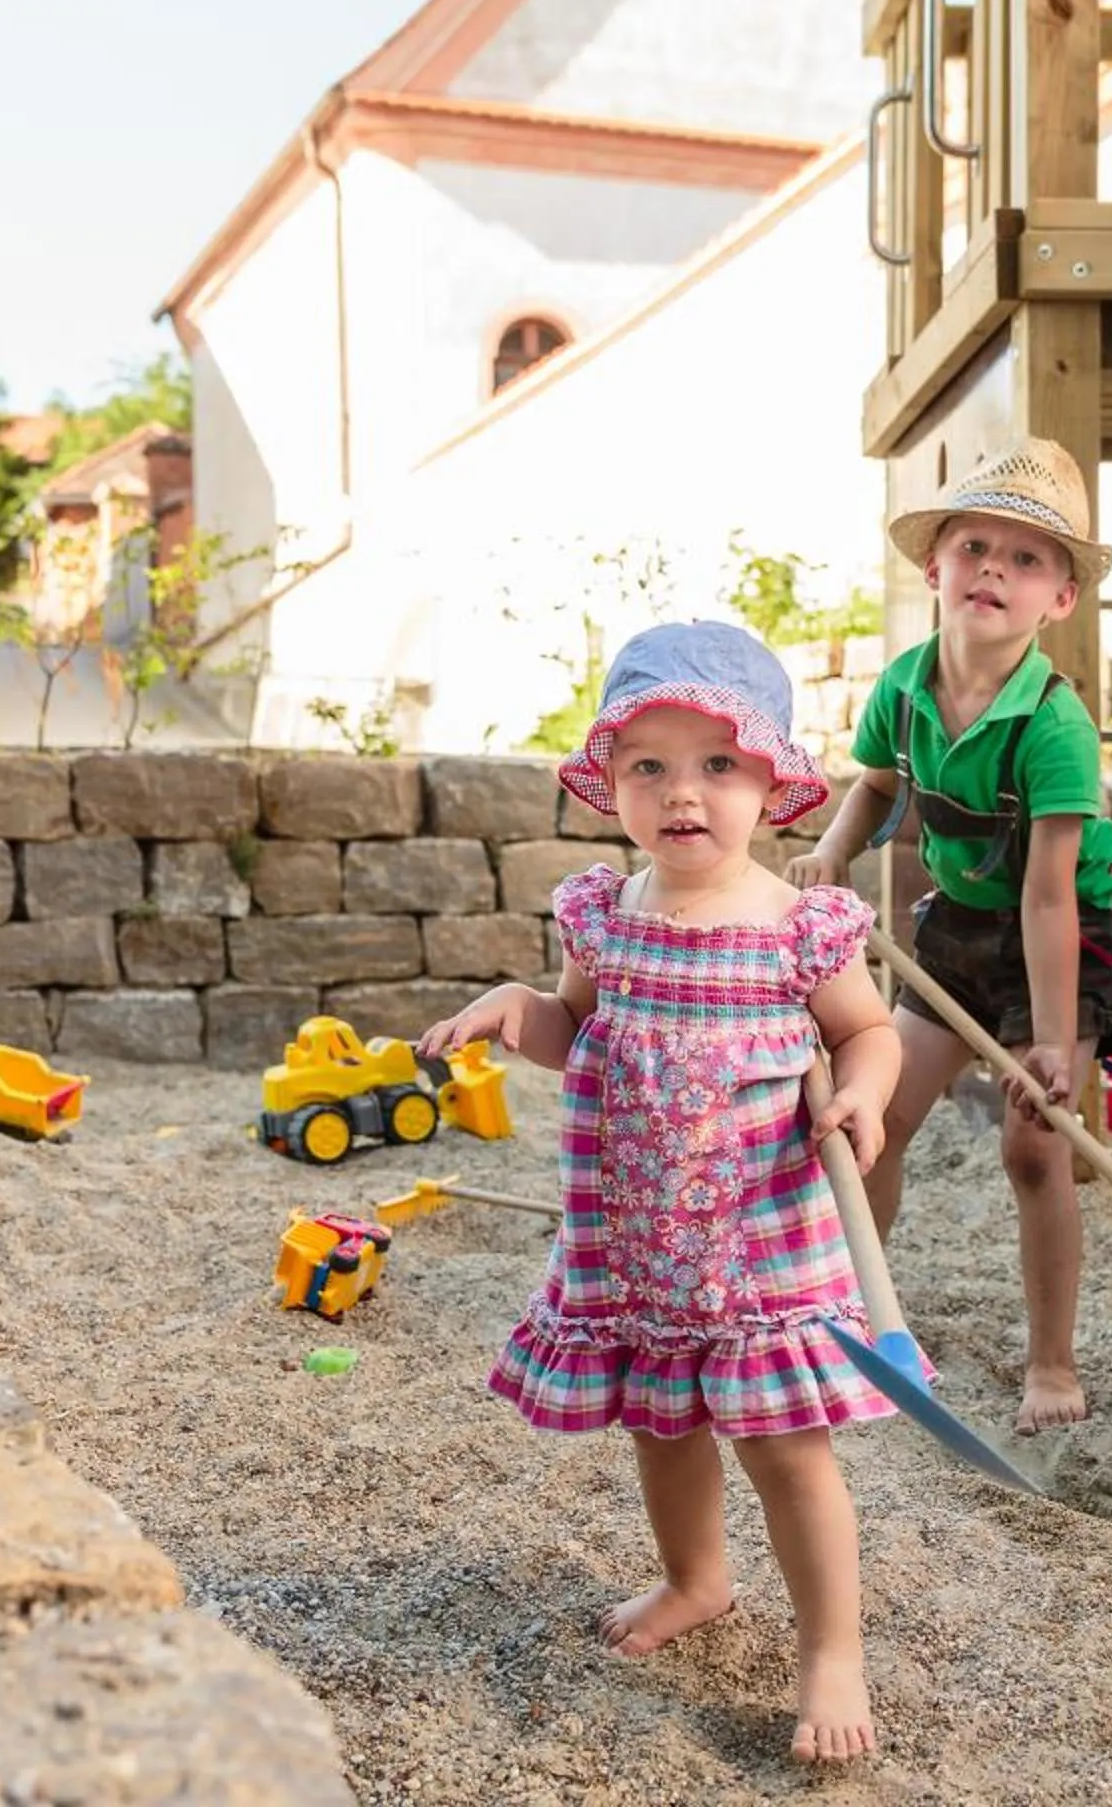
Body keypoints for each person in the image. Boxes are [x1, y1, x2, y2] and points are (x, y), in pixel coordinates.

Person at [420, 619, 904, 1765]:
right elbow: (573, 1026)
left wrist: (866, 1096)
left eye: (718, 764)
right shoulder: (607, 914)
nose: (684, 793)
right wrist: (512, 1008)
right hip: (634, 1237)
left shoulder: (798, 926)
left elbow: (868, 1031)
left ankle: (833, 1647)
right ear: (613, 784)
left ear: (774, 785)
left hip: (759, 1242)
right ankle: (696, 1578)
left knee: (788, 1445)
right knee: (662, 1422)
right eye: (651, 765)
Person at [787, 438, 1112, 1436]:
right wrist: (834, 851)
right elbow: (878, 785)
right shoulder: (901, 687)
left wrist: (1053, 1043)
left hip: (1063, 927)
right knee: (876, 1115)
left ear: (1060, 599)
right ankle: (863, 1312)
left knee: (1035, 1145)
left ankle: (1053, 1364)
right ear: (932, 564)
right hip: (960, 922)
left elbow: (1050, 898)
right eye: (974, 544)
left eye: (1026, 558)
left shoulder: (1054, 724)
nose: (993, 568)